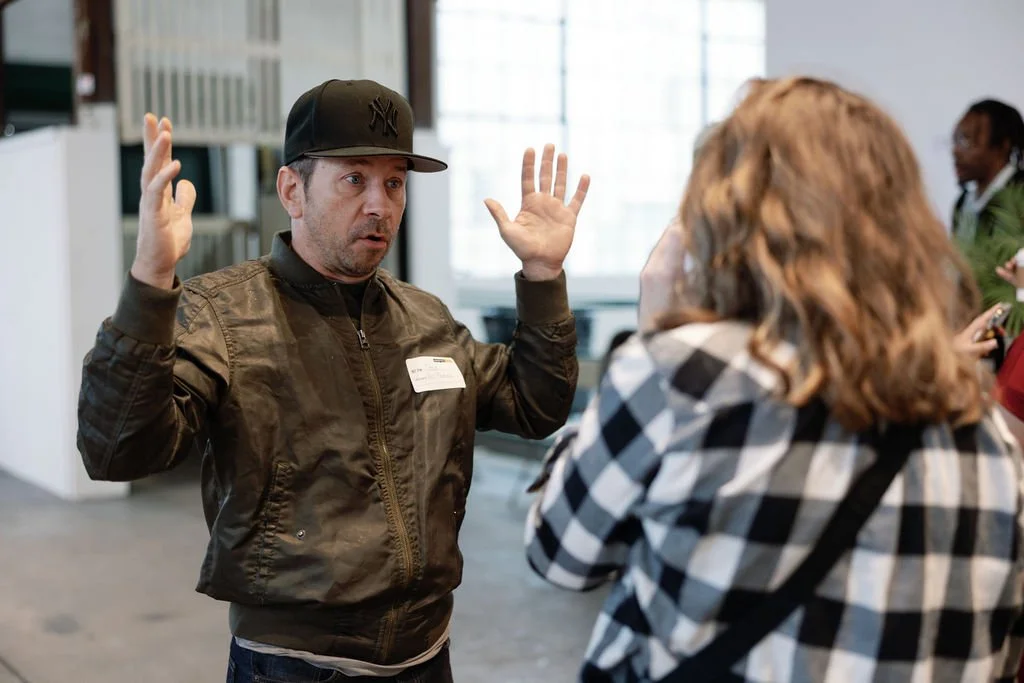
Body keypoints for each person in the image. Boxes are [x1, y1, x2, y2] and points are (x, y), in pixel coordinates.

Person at [77, 79, 589, 682]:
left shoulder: (425, 319)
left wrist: (543, 274)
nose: (380, 205)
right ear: (292, 190)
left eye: (393, 183)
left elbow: (535, 406)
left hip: (426, 657)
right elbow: (117, 450)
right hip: (293, 666)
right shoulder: (223, 315)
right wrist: (149, 280)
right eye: (353, 179)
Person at [524, 77, 1024, 682]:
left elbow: (560, 552)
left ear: (728, 213)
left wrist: (655, 333)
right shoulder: (986, 433)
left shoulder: (685, 377)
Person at [951, 98, 1024, 243]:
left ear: (1003, 145)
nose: (956, 151)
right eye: (956, 140)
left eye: (966, 140)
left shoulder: (1019, 196)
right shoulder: (963, 204)